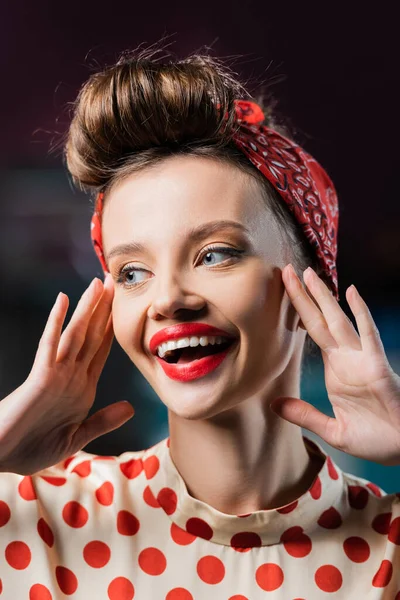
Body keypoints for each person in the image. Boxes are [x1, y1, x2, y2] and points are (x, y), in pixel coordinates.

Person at [0, 45, 399, 599]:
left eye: (214, 254)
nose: (166, 299)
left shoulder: (390, 546)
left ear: (312, 280)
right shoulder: (34, 517)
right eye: (133, 271)